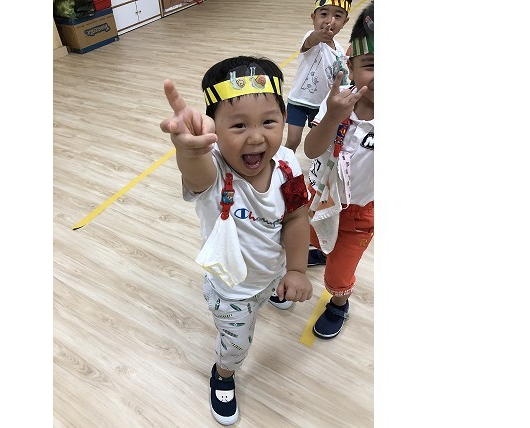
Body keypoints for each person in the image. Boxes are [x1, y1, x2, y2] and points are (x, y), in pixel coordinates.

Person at [160, 55, 313, 425]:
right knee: (236, 345)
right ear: (214, 127)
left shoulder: (288, 164)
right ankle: (223, 373)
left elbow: (296, 216)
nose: (256, 136)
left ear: (285, 118)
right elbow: (197, 175)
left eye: (269, 122)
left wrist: (295, 270)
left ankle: (273, 291)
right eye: (239, 125)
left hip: (271, 273)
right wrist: (189, 150)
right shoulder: (214, 168)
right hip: (232, 290)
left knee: (274, 286)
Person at [304, 1, 374, 340]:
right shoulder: (337, 100)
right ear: (351, 65)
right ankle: (321, 248)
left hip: (359, 212)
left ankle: (338, 303)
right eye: (372, 65)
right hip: (320, 196)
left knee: (339, 275)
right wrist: (332, 116)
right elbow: (311, 149)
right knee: (314, 237)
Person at [284, 0, 352, 154]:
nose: (329, 20)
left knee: (319, 141)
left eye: (337, 16)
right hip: (298, 101)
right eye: (324, 14)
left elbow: (340, 76)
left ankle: (317, 166)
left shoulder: (339, 50)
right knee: (293, 140)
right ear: (313, 17)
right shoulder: (311, 38)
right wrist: (319, 35)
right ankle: (285, 164)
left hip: (321, 105)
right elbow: (311, 39)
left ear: (345, 22)